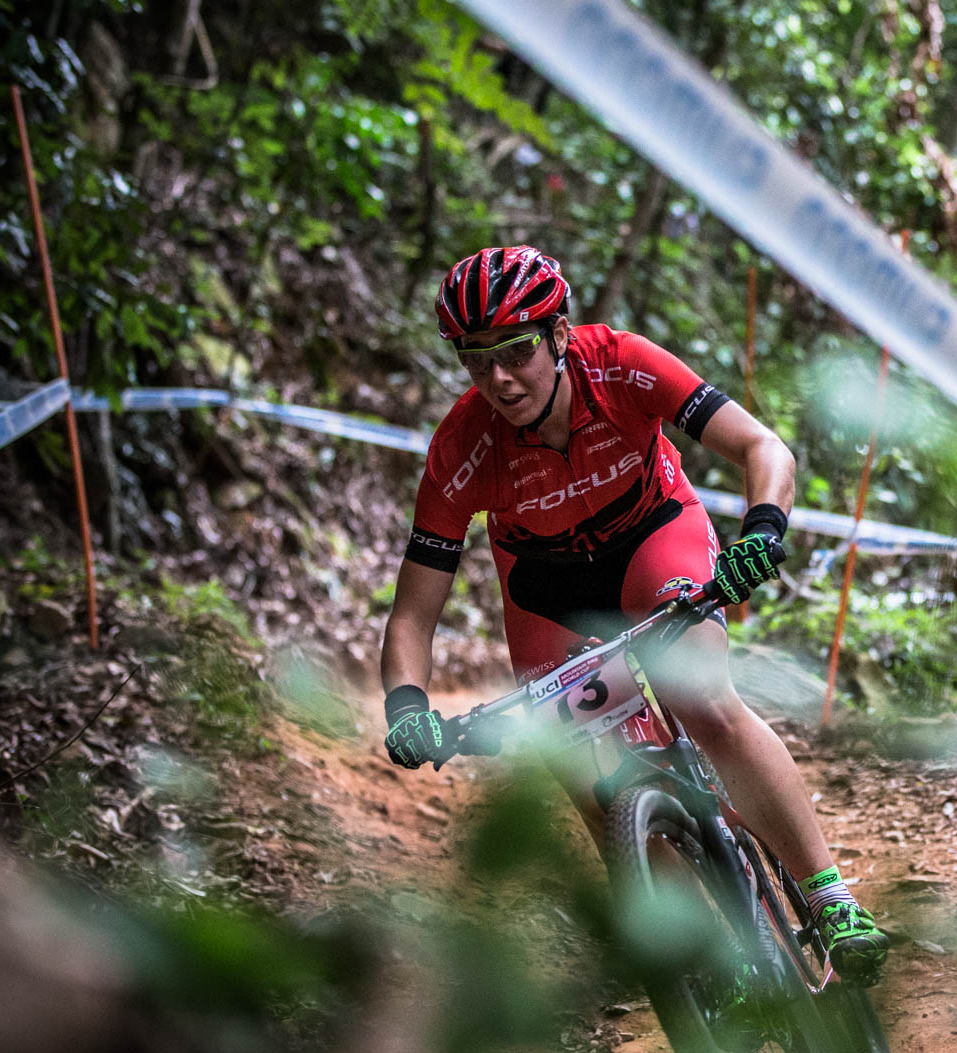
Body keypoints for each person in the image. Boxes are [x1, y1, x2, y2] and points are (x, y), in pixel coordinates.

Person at [377, 246, 890, 983]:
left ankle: (829, 895)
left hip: (653, 537)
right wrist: (406, 705)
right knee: (588, 783)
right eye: (475, 358)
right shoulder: (461, 447)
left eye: (516, 350)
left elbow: (760, 445)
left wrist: (764, 530)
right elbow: (412, 614)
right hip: (546, 589)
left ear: (557, 334)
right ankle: (705, 964)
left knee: (703, 697)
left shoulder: (621, 363)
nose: (499, 377)